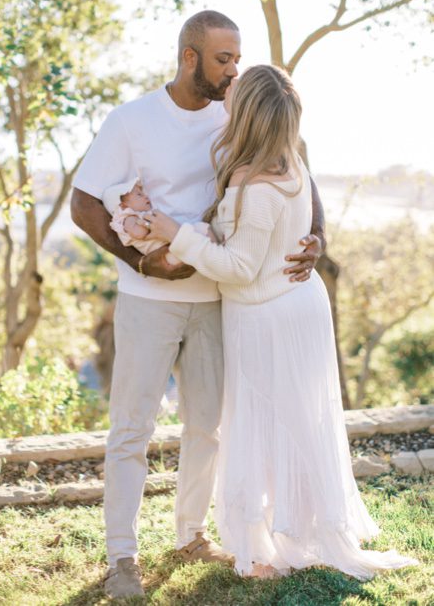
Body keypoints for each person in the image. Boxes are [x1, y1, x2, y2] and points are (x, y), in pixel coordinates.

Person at [69, 10, 327, 600]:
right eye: (223, 59)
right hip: (147, 300)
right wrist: (140, 262)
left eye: (238, 58)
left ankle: (191, 535)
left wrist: (317, 239)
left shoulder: (240, 116)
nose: (235, 70)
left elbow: (301, 175)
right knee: (131, 429)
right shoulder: (131, 120)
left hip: (218, 301)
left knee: (206, 428)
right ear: (189, 58)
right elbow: (83, 205)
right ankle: (122, 558)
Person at [145, 66, 415, 582]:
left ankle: (265, 551)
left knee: (260, 426)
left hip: (266, 315)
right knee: (295, 424)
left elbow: (239, 267)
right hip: (298, 304)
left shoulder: (256, 185)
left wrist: (176, 234)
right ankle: (295, 530)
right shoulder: (289, 164)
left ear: (246, 114)